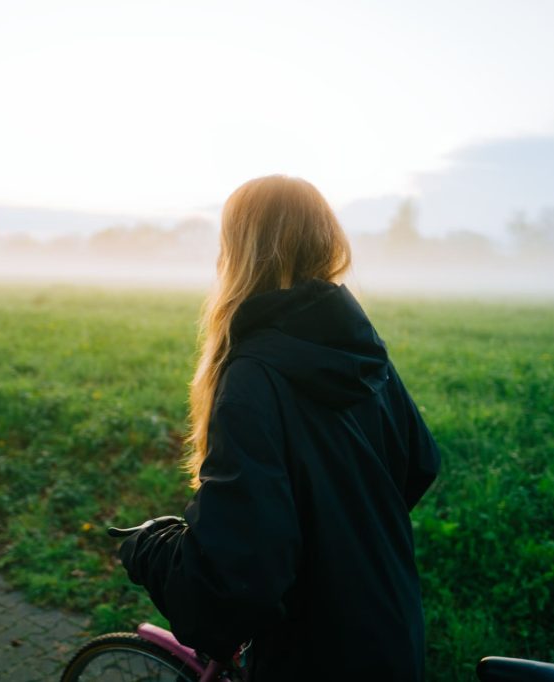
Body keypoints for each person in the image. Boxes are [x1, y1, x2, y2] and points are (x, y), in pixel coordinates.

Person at [118, 175, 440, 681]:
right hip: (392, 624)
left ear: (237, 251)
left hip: (314, 653)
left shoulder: (252, 374)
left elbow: (233, 577)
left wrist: (151, 549)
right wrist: (345, 529)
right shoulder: (358, 341)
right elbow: (421, 461)